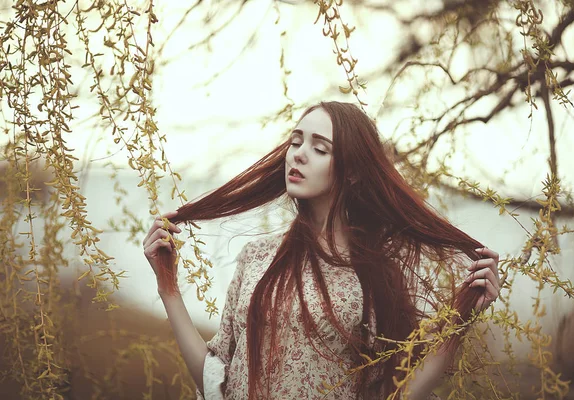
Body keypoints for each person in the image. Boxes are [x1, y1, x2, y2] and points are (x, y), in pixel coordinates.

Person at [143, 101, 500, 399]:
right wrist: (168, 288)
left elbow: (398, 392)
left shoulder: (374, 276)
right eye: (295, 142)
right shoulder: (257, 258)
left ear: (353, 173)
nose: (298, 155)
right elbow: (214, 379)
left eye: (319, 147)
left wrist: (460, 322)